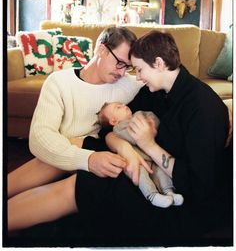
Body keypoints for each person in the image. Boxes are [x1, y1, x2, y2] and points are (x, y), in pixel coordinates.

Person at [8, 30, 232, 247]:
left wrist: (148, 145)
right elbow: (110, 131)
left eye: (138, 69)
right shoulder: (156, 89)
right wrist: (127, 150)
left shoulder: (204, 109)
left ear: (159, 63)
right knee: (76, 146)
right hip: (141, 161)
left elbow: (199, 185)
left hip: (175, 196)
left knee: (86, 183)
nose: (137, 76)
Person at [7, 26, 146, 231]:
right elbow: (40, 138)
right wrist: (86, 159)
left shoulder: (131, 85)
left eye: (127, 66)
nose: (122, 72)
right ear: (101, 49)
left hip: (101, 159)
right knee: (59, 150)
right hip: (63, 157)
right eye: (119, 63)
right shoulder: (60, 82)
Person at [97, 101, 184, 207]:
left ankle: (169, 192)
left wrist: (152, 124)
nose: (124, 105)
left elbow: (153, 117)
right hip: (137, 161)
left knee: (161, 171)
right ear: (114, 121)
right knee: (141, 175)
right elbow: (132, 138)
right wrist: (143, 131)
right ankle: (152, 195)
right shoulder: (118, 129)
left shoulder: (139, 114)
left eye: (122, 104)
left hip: (152, 157)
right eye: (118, 107)